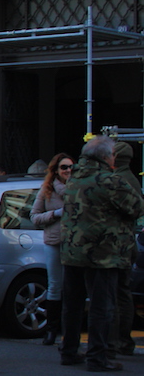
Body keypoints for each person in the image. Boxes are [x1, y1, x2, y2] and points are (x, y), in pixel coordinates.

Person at [60, 136, 144, 371]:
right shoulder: (109, 181)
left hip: (72, 251)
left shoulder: (74, 178)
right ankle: (97, 357)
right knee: (102, 306)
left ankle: (69, 351)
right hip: (102, 253)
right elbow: (137, 207)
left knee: (73, 304)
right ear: (107, 157)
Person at [30, 152, 74, 346]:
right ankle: (51, 329)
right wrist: (56, 213)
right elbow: (34, 216)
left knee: (72, 287)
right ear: (56, 170)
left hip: (75, 244)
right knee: (55, 285)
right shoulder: (47, 190)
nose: (68, 170)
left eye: (71, 167)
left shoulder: (78, 189)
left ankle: (69, 330)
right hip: (55, 241)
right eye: (64, 167)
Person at [109, 141, 141, 358]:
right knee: (121, 292)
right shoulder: (129, 179)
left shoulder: (120, 180)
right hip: (124, 242)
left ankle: (121, 340)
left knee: (119, 293)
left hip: (119, 244)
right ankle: (122, 340)